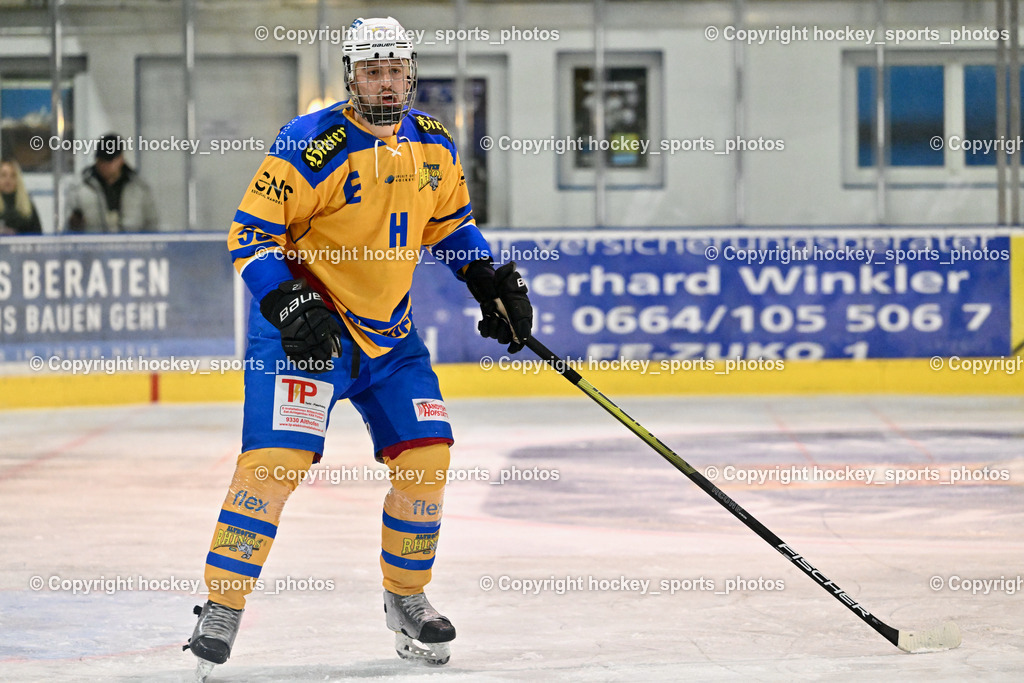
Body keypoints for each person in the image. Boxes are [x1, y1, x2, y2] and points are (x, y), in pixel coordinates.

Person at [184, 15, 533, 679]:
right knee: (274, 464)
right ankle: (221, 606)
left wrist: (487, 280)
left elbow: (452, 226)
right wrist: (288, 301)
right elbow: (249, 236)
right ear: (351, 75)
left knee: (428, 456)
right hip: (305, 332)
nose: (385, 81)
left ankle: (407, 598)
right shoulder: (308, 142)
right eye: (371, 70)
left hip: (390, 337)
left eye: (394, 69)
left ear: (410, 73)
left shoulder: (433, 143)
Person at [65, 133, 159, 232]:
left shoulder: (139, 188)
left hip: (132, 245)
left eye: (110, 161)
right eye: (101, 160)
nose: (105, 166)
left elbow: (152, 224)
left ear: (121, 159)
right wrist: (75, 223)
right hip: (93, 246)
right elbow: (69, 228)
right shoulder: (79, 188)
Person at [0, 159, 42, 235]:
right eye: (3, 175)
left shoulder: (27, 205)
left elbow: (38, 234)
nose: (8, 179)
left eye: (13, 175)